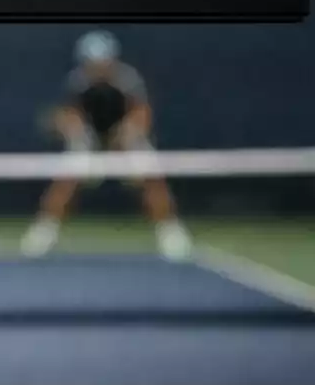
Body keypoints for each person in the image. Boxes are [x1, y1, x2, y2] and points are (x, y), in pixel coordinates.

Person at [21, 31, 191, 261]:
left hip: (127, 140)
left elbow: (142, 113)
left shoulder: (129, 80)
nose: (98, 67)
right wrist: (71, 128)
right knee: (65, 180)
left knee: (152, 178)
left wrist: (128, 133)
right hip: (90, 142)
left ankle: (170, 234)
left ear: (112, 60)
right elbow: (68, 114)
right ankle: (43, 233)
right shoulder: (77, 82)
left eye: (103, 62)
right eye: (92, 63)